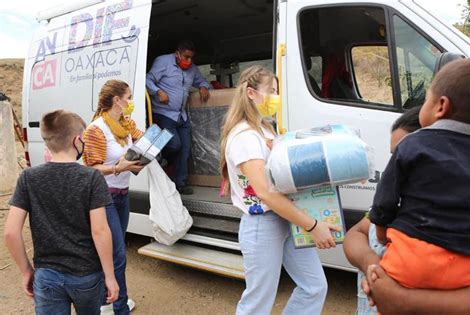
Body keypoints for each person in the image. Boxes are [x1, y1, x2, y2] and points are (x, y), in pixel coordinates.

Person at [219, 65, 340, 315]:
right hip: (262, 224)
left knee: (314, 287)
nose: (276, 97)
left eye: (276, 91)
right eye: (271, 91)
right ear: (251, 93)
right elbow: (265, 192)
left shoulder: (264, 128)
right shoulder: (244, 136)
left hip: (287, 217)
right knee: (258, 303)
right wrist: (313, 225)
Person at [368, 59, 470, 291]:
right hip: (467, 271)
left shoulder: (413, 144)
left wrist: (381, 231)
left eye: (426, 99)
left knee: (386, 289)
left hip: (412, 262)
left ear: (440, 106)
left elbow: (385, 198)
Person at [4, 109, 119, 315]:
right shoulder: (91, 178)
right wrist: (110, 276)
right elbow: (101, 231)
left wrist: (26, 271)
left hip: (47, 275)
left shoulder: (28, 178)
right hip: (87, 275)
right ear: (77, 140)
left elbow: (11, 232)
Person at [343, 106, 421, 314]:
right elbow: (357, 232)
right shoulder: (393, 201)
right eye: (393, 156)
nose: (395, 165)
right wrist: (371, 262)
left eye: (402, 155)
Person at [83, 80, 144, 315]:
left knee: (110, 253)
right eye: (128, 97)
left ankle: (103, 300)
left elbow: (141, 140)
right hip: (103, 197)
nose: (131, 102)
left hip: (123, 194)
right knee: (118, 254)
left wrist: (149, 148)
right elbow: (92, 168)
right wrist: (120, 167)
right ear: (117, 100)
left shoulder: (126, 123)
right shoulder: (96, 129)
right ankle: (120, 307)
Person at [146, 40, 211, 195]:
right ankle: (158, 155)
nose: (188, 61)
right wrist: (158, 92)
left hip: (181, 115)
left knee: (185, 148)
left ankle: (179, 183)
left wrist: (203, 86)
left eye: (191, 58)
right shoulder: (163, 62)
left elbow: (202, 80)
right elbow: (148, 79)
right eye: (186, 57)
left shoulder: (192, 68)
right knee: (175, 145)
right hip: (163, 113)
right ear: (177, 53)